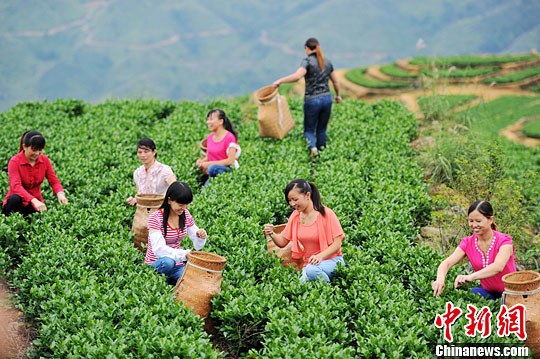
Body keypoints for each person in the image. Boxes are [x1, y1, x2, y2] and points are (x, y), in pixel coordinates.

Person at [263, 179, 345, 282]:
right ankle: (326, 285)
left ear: (307, 195)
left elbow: (337, 244)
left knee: (311, 271)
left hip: (331, 260)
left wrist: (320, 256)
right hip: (310, 265)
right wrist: (272, 234)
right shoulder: (295, 216)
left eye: (295, 199)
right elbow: (282, 242)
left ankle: (329, 291)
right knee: (299, 285)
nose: (292, 204)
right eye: (290, 200)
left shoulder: (327, 214)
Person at [273, 37, 342, 159]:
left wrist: (280, 81)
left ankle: (313, 149)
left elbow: (297, 76)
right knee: (321, 130)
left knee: (309, 130)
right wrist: (337, 95)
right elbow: (336, 82)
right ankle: (323, 156)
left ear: (307, 48)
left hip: (312, 100)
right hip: (327, 99)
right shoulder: (327, 62)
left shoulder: (307, 61)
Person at [432, 200, 516, 300]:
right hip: (488, 292)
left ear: (491, 220)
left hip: (512, 292)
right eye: (471, 221)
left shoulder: (504, 241)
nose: (474, 225)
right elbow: (446, 263)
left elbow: (498, 266)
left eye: (478, 221)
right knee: (460, 297)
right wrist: (440, 279)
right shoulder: (468, 242)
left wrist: (470, 277)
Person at [144, 181, 207, 285]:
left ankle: (169, 282)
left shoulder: (185, 214)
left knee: (193, 280)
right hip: (159, 263)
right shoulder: (155, 218)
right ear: (169, 200)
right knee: (168, 262)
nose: (184, 208)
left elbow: (197, 242)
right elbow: (158, 249)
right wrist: (184, 254)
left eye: (186, 204)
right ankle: (161, 282)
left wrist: (200, 235)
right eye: (181, 204)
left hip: (177, 265)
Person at [2, 130, 68, 216]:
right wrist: (33, 200)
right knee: (15, 199)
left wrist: (60, 194)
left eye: (40, 150)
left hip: (36, 203)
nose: (37, 153)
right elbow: (16, 186)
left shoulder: (44, 160)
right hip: (17, 203)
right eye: (34, 150)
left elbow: (54, 181)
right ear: (24, 147)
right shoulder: (14, 161)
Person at [126, 138, 177, 206]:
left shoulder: (164, 170)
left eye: (146, 152)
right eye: (140, 152)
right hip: (143, 212)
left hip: (162, 210)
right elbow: (140, 195)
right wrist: (134, 200)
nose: (143, 155)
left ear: (154, 152)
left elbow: (175, 188)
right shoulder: (137, 173)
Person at [196, 109, 240, 185]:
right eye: (207, 120)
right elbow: (210, 156)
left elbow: (230, 161)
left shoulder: (229, 137)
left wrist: (208, 164)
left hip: (226, 170)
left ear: (221, 121)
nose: (208, 122)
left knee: (212, 168)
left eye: (211, 119)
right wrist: (202, 161)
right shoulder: (210, 137)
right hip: (213, 173)